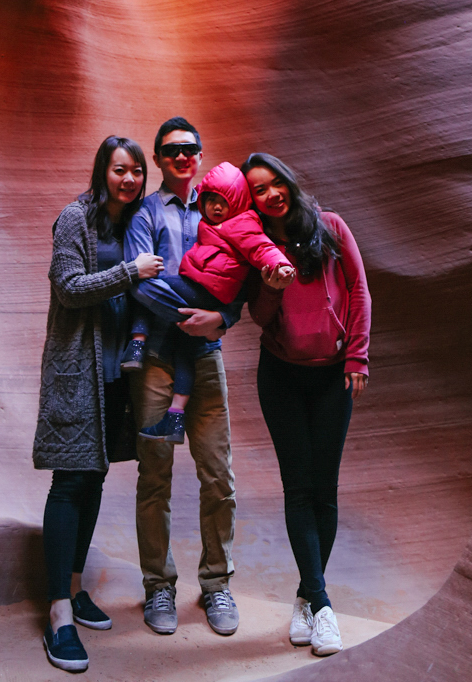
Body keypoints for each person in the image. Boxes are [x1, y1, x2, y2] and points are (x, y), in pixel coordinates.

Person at [32, 136, 162, 673]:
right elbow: (67, 286)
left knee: (96, 478)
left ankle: (76, 587)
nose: (129, 179)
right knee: (70, 482)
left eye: (136, 171)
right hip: (75, 372)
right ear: (101, 171)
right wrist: (129, 273)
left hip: (116, 374)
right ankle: (58, 612)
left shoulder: (133, 223)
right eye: (119, 170)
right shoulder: (74, 218)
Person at [243, 152, 371, 658]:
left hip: (331, 378)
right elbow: (257, 315)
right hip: (281, 377)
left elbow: (359, 291)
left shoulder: (332, 227)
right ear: (250, 200)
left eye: (276, 183)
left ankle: (306, 597)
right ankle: (322, 606)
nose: (271, 193)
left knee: (325, 489)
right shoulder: (256, 245)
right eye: (259, 189)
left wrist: (357, 356)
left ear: (289, 184)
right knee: (298, 488)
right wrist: (273, 288)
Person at [124, 118, 241, 637]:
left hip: (207, 356)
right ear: (158, 158)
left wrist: (224, 317)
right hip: (158, 361)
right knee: (155, 478)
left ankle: (216, 584)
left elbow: (240, 275)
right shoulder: (146, 213)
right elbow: (138, 283)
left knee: (218, 476)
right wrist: (196, 311)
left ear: (200, 154)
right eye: (171, 151)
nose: (183, 157)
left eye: (190, 149)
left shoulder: (223, 208)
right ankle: (159, 586)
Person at [123, 161, 295, 443]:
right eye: (210, 200)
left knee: (147, 284)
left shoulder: (242, 222)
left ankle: (137, 341)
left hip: (204, 290)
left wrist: (280, 264)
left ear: (237, 202)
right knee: (185, 351)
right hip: (203, 290)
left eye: (223, 202)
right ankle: (175, 418)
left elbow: (262, 247)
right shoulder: (205, 221)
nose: (215, 207)